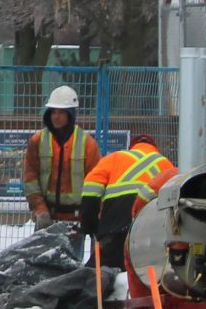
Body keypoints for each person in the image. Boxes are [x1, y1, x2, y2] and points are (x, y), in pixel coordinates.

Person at [80, 132, 174, 271]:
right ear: (155, 148)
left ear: (132, 147)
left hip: (114, 228)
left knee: (97, 274)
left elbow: (91, 189)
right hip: (148, 232)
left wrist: (89, 225)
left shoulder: (115, 158)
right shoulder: (165, 164)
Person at [21, 84, 101, 227]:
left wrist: (91, 213)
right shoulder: (38, 140)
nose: (56, 117)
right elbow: (30, 178)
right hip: (46, 218)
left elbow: (96, 182)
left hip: (76, 219)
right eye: (53, 112)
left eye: (61, 112)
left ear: (70, 114)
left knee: (72, 251)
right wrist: (40, 209)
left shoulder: (87, 143)